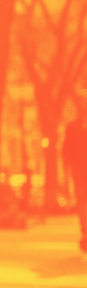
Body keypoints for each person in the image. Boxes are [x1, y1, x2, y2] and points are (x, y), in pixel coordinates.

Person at [61, 100, 87, 252]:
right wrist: (66, 171)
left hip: (78, 170)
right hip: (79, 171)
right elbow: (66, 150)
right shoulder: (72, 127)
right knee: (82, 202)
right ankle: (85, 233)